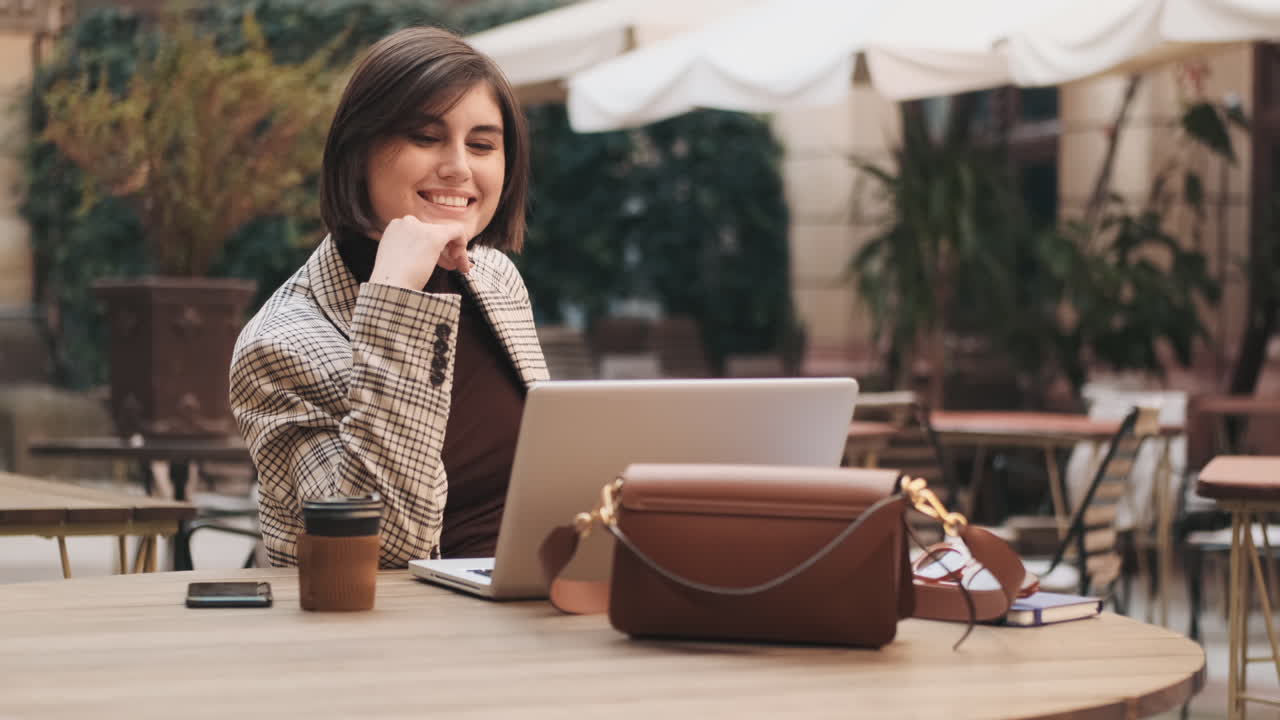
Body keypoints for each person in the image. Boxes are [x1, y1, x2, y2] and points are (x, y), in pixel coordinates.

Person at [230, 27, 548, 568]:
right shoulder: (279, 346)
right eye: (426, 137)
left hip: (538, 594)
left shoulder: (496, 278)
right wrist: (395, 299)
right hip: (404, 631)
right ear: (359, 151)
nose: (458, 167)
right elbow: (372, 551)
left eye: (481, 144)